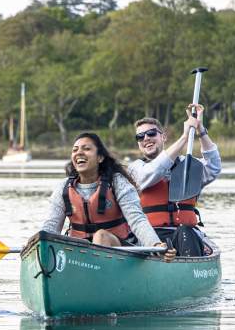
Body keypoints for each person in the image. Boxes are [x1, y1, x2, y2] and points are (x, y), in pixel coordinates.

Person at [42, 132, 176, 261]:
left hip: (123, 251)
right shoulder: (63, 188)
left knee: (101, 236)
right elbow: (51, 226)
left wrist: (156, 245)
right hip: (81, 251)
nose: (79, 153)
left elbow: (137, 220)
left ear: (100, 158)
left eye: (87, 149)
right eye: (75, 150)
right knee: (52, 241)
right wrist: (38, 242)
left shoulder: (117, 182)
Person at [128, 104, 222, 256]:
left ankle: (189, 272)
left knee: (186, 232)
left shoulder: (187, 166)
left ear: (163, 137)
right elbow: (154, 171)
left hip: (185, 235)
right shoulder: (135, 169)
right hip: (151, 237)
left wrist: (200, 130)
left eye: (151, 133)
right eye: (140, 136)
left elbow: (214, 167)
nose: (146, 138)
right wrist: (184, 137)